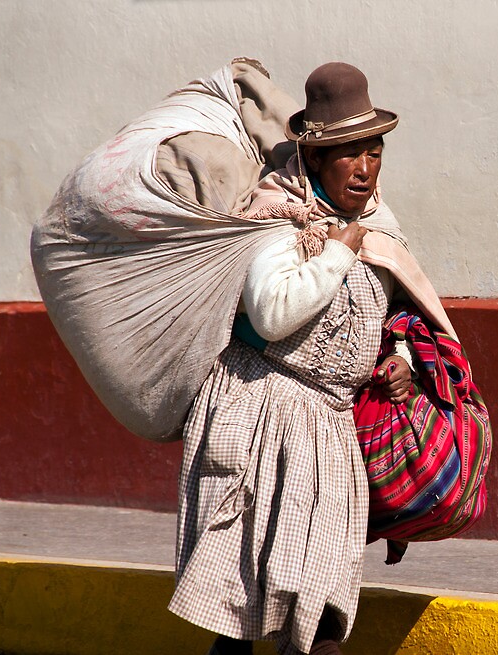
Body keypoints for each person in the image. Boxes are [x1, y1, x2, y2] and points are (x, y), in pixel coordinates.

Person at [167, 62, 432, 655]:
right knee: (240, 619)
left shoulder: (379, 225)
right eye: (348, 154)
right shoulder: (277, 217)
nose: (365, 169)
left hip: (329, 431)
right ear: (313, 160)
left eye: (374, 151)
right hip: (261, 417)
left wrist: (399, 360)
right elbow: (273, 313)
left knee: (320, 616)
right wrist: (336, 253)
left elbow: (395, 315)